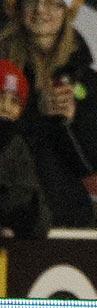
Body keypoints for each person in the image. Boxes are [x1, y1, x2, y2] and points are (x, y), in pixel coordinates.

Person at [0, 0, 97, 228]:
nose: (41, 11)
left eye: (52, 2)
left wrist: (70, 121)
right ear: (19, 6)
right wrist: (33, 113)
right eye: (33, 1)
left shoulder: (85, 80)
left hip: (62, 217)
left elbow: (96, 161)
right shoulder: (3, 65)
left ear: (67, 11)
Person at [0, 59, 51, 237]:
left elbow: (29, 192)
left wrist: (18, 224)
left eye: (14, 101)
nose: (6, 107)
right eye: (0, 97)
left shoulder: (18, 143)